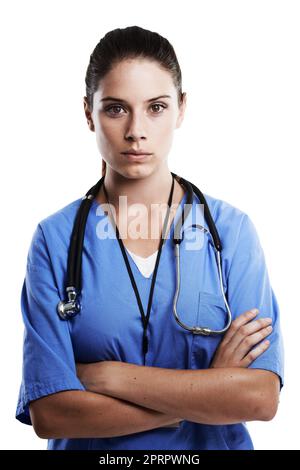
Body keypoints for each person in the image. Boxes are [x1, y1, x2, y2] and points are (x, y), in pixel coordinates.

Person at [15, 25, 284, 450]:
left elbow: (259, 397)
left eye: (156, 107)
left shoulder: (230, 233)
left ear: (181, 109)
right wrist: (209, 391)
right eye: (116, 109)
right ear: (89, 113)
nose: (136, 130)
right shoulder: (55, 240)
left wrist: (108, 377)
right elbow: (50, 413)